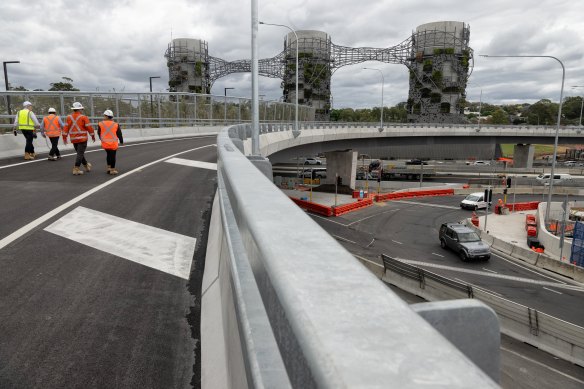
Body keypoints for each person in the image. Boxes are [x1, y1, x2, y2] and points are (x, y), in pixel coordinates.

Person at [63, 101, 95, 175]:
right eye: (81, 109)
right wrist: (92, 135)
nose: (82, 110)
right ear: (79, 109)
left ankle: (86, 165)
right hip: (82, 139)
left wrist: (64, 137)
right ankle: (76, 168)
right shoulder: (83, 117)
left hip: (74, 139)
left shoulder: (68, 117)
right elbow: (89, 127)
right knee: (80, 154)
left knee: (79, 153)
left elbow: (65, 128)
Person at [97, 109, 123, 175]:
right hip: (113, 144)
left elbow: (99, 133)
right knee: (113, 156)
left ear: (106, 116)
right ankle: (112, 169)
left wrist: (101, 139)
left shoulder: (101, 124)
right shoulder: (116, 124)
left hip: (105, 143)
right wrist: (121, 141)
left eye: (104, 115)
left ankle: (109, 168)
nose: (103, 117)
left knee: (108, 155)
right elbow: (119, 134)